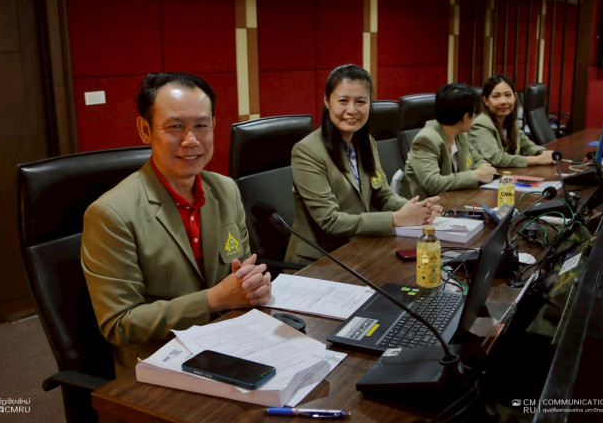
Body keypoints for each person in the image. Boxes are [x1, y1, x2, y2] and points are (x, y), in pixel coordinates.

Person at [81, 72, 272, 375]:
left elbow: (240, 274)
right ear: (145, 130)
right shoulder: (110, 214)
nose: (191, 140)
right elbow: (119, 324)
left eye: (201, 126)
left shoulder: (225, 189)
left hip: (229, 343)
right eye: (175, 127)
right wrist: (212, 300)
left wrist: (254, 285)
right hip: (160, 364)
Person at [284, 64, 442, 265]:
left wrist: (418, 210)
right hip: (317, 261)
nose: (352, 110)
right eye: (343, 101)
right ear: (327, 101)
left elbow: (383, 195)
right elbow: (330, 221)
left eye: (360, 101)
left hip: (357, 251)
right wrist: (396, 218)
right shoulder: (307, 151)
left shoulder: (366, 142)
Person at [401, 82, 496, 199]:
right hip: (425, 205)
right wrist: (476, 175)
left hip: (454, 199)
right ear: (466, 117)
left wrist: (484, 170)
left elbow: (477, 160)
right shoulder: (426, 139)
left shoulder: (460, 134)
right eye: (474, 113)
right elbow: (433, 184)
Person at [469, 74, 553, 167]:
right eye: (496, 96)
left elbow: (527, 145)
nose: (503, 101)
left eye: (508, 95)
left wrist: (543, 152)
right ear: (486, 101)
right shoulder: (480, 124)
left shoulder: (510, 120)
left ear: (515, 97)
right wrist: (538, 160)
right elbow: (497, 159)